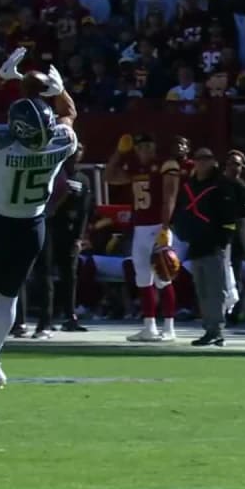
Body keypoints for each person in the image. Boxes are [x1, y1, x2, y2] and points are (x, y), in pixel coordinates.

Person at [0, 47, 78, 408]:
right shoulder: (62, 141)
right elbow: (69, 114)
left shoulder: (0, 143)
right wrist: (58, 90)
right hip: (33, 225)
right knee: (8, 298)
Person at [106, 133, 184, 342]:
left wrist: (165, 228)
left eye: (148, 146)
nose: (144, 151)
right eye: (140, 147)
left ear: (154, 147)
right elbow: (110, 176)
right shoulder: (133, 166)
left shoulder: (165, 165)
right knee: (142, 278)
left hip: (158, 226)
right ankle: (149, 326)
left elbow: (170, 197)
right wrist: (119, 153)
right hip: (140, 228)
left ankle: (169, 327)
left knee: (163, 275)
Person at [175, 148, 245, 347]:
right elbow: (182, 211)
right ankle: (208, 328)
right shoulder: (190, 185)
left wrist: (224, 240)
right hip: (196, 243)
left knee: (216, 289)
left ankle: (217, 329)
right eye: (199, 159)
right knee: (202, 289)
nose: (202, 163)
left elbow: (229, 216)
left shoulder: (221, 186)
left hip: (214, 244)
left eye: (206, 159)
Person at [35, 144, 91, 336]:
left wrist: (79, 238)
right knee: (46, 274)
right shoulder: (53, 173)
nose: (76, 153)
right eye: (74, 149)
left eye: (80, 150)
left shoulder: (83, 179)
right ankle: (45, 320)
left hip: (70, 231)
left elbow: (84, 212)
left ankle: (70, 317)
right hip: (51, 227)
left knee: (70, 275)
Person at [221, 149, 245, 321]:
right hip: (222, 233)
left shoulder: (241, 187)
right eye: (232, 163)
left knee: (236, 271)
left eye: (238, 164)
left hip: (238, 232)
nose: (235, 167)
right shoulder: (220, 184)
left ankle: (236, 312)